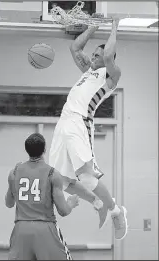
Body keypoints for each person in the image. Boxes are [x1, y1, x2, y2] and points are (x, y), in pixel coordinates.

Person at [49, 18, 128, 240]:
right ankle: (98, 202)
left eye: (97, 55)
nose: (92, 57)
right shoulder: (88, 71)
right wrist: (93, 27)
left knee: (86, 176)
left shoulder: (110, 76)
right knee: (61, 181)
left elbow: (110, 54)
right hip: (64, 121)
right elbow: (74, 47)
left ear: (107, 60)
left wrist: (113, 26)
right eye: (92, 54)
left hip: (80, 121)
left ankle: (115, 210)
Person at [5, 133, 79, 260]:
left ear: (26, 150)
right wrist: (71, 203)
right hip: (45, 227)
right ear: (44, 149)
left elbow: (9, 203)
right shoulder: (52, 173)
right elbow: (63, 211)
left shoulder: (14, 172)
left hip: (21, 229)